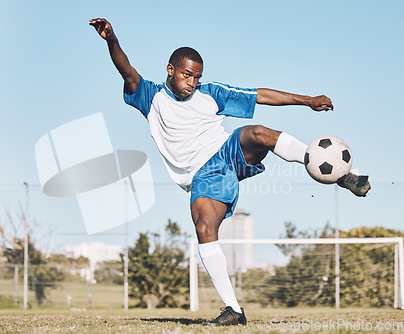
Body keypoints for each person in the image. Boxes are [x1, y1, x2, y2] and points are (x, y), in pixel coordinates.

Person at [89, 18, 370, 326]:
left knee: (257, 132)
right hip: (202, 177)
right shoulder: (150, 97)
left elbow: (258, 95)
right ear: (170, 70)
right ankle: (233, 310)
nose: (191, 82)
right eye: (186, 75)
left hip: (227, 154)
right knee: (204, 228)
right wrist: (111, 40)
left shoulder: (211, 93)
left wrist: (307, 101)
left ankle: (339, 175)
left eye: (196, 77)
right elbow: (126, 70)